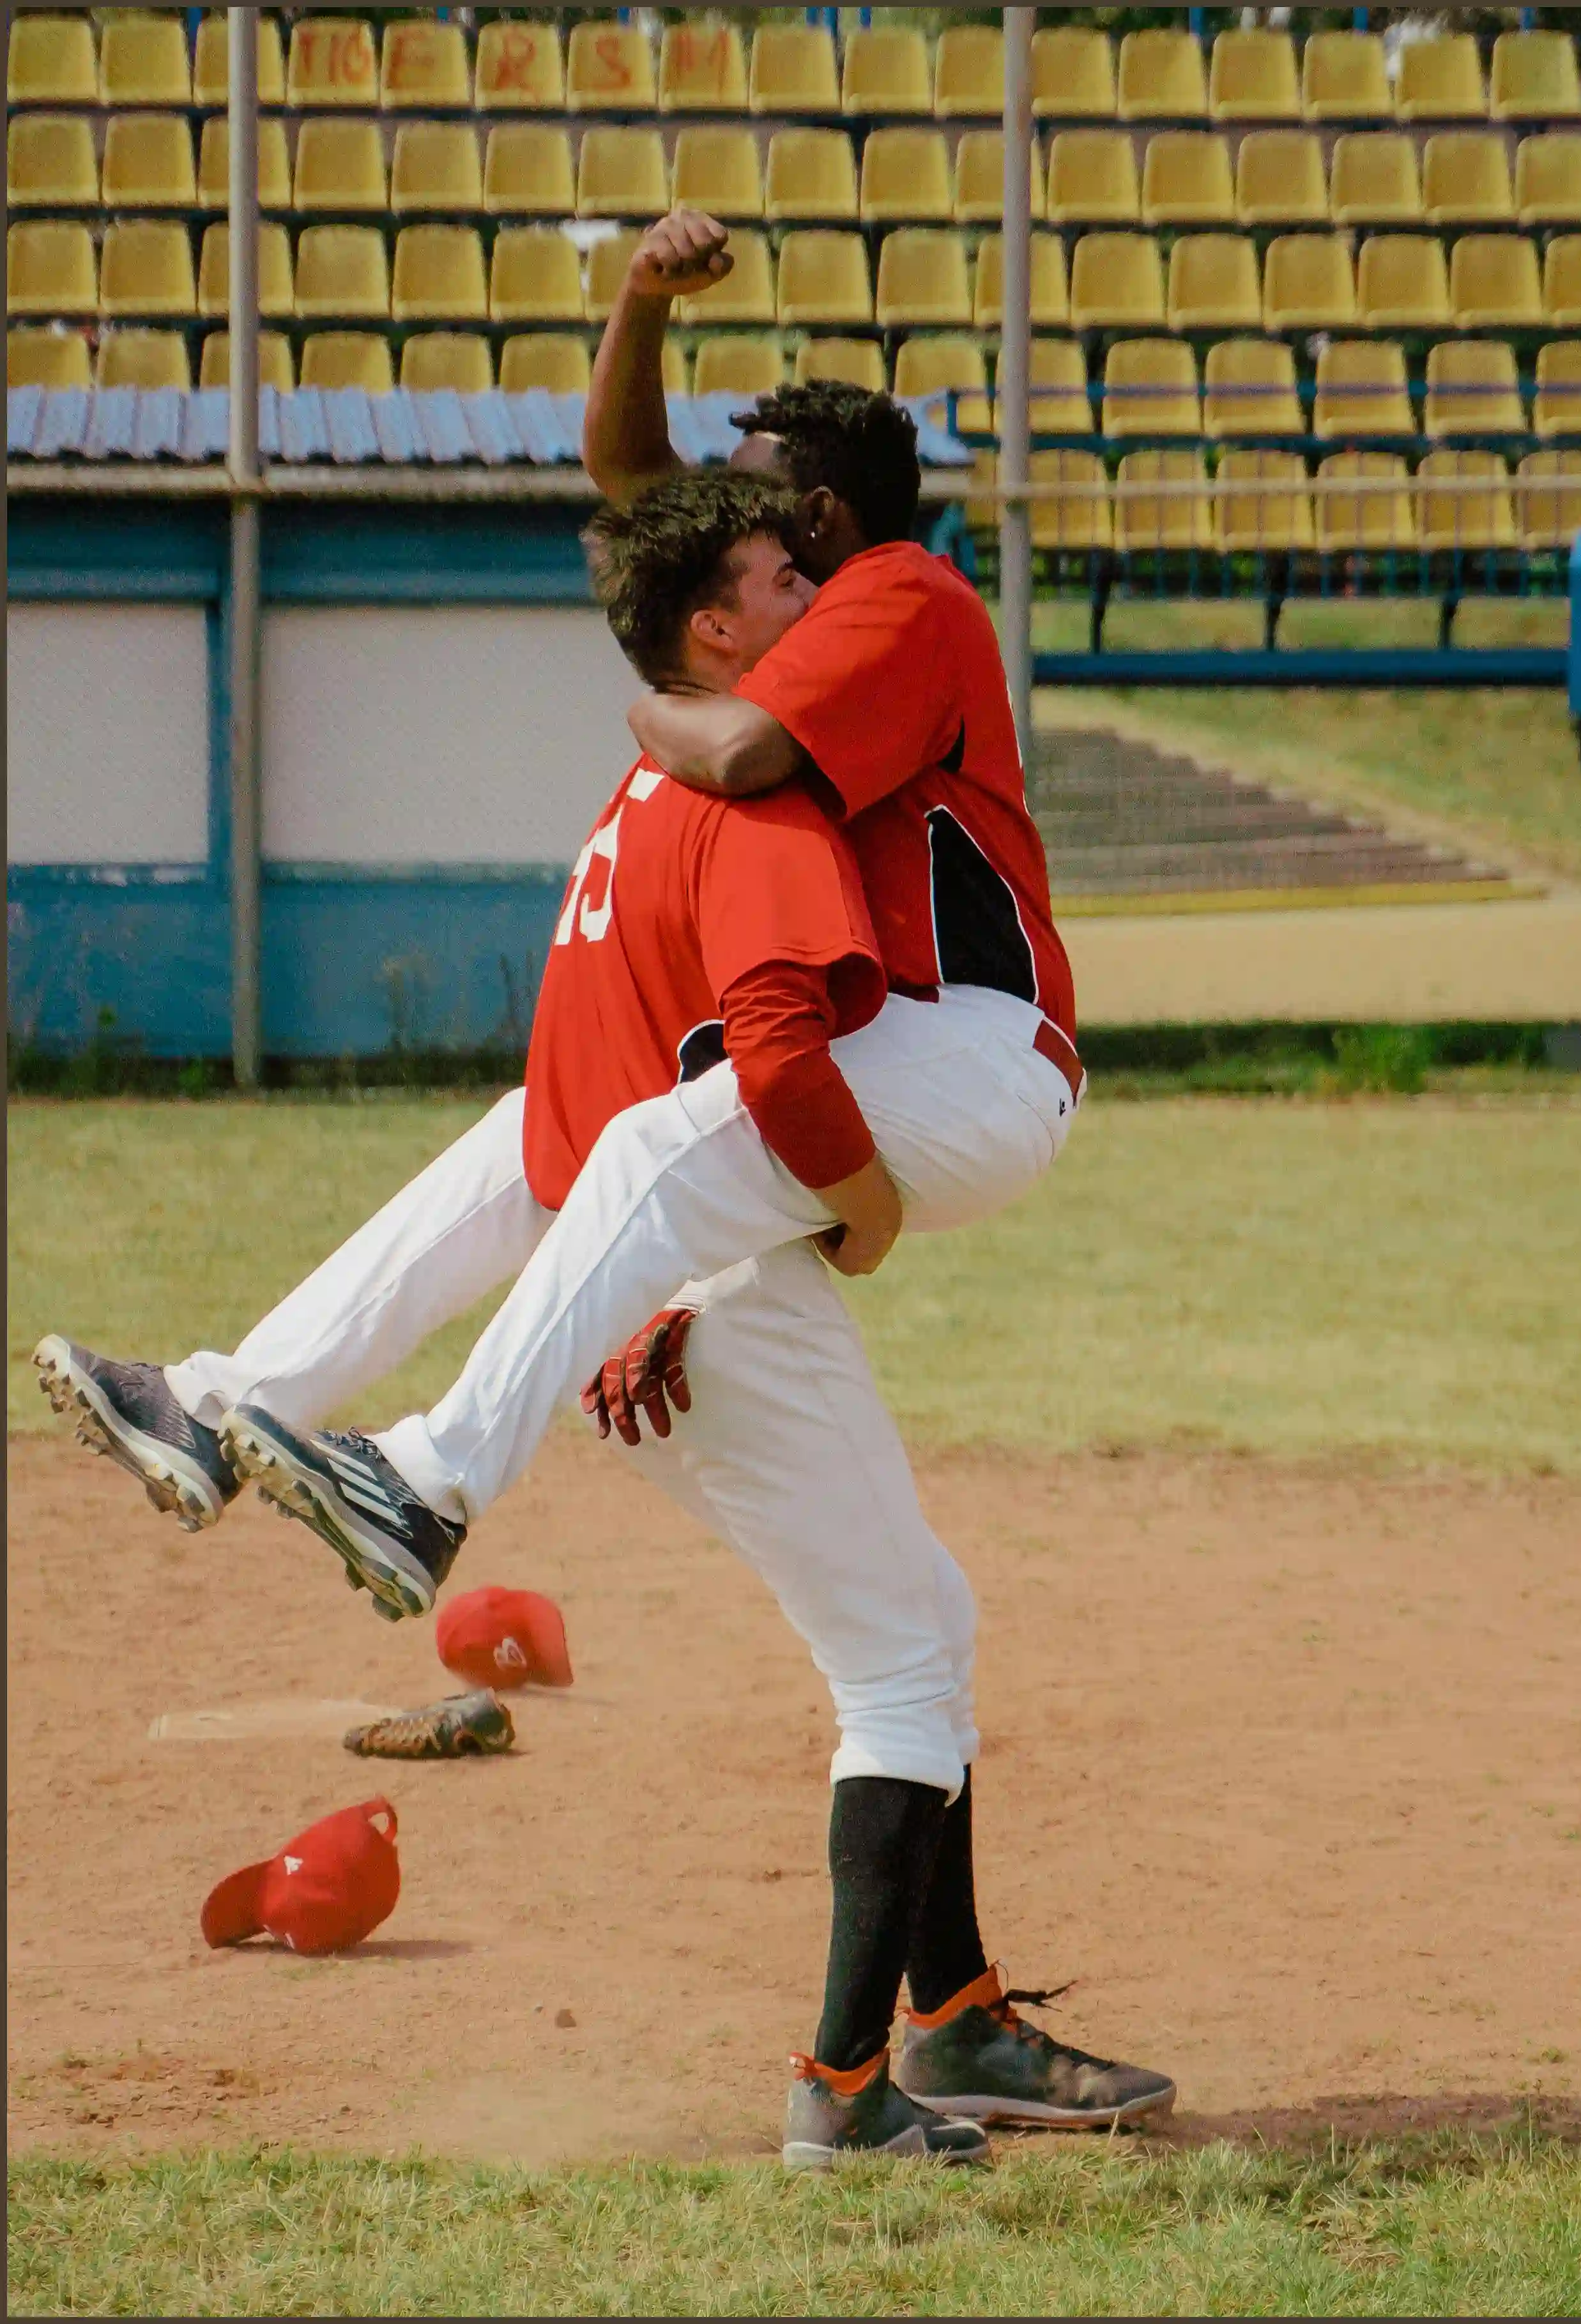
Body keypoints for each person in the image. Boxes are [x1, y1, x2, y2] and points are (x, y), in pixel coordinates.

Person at [39, 434, 1172, 2166]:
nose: (818, 594)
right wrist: (849, 1219)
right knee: (905, 1658)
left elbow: (555, 1129)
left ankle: (224, 1394)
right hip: (682, 1297)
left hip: (628, 1276)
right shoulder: (761, 793)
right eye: (785, 585)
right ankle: (845, 2088)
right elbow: (765, 1067)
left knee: (899, 1612)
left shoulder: (622, 816)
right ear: (720, 640)